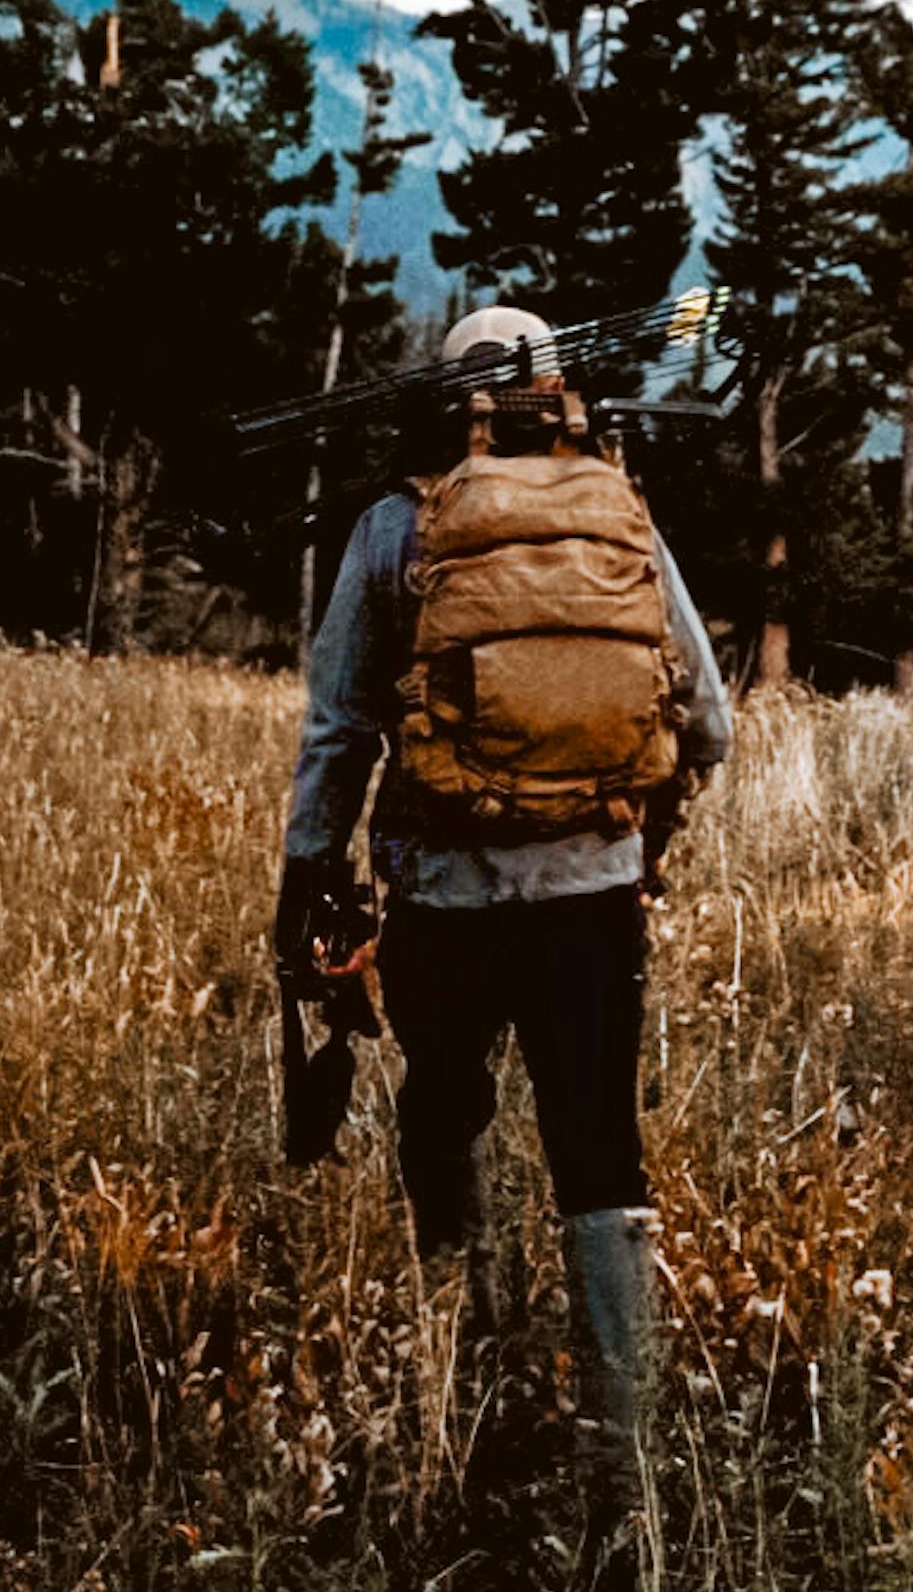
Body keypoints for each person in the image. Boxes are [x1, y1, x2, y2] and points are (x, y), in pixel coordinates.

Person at [274, 302, 731, 1525]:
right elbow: (713, 725)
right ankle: (619, 1459)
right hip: (596, 897)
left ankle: (464, 1377)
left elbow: (339, 728)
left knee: (446, 1103)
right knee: (599, 1150)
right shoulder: (618, 513)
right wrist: (639, 833)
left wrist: (308, 874)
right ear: (557, 394)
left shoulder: (396, 524)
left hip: (443, 893)